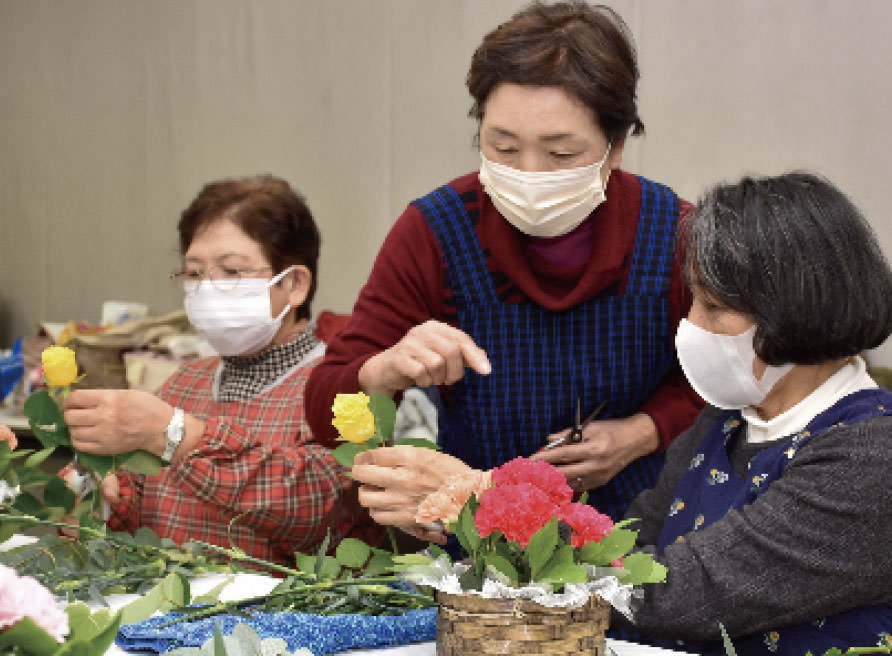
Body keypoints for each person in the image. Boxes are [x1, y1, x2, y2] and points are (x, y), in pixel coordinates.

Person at [306, 1, 702, 540]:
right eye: (504, 147)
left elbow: (737, 382)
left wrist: (645, 431)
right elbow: (326, 410)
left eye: (561, 153)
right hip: (475, 550)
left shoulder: (676, 233)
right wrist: (384, 371)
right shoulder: (435, 233)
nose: (529, 174)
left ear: (615, 147)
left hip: (643, 540)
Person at [615, 172, 892, 652]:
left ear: (797, 310)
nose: (691, 325)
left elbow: (680, 594)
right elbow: (628, 541)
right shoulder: (726, 419)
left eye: (714, 306)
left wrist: (496, 507)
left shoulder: (871, 459)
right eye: (693, 299)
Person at [63, 175, 377, 566]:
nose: (208, 289)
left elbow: (317, 513)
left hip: (278, 623)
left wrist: (175, 435)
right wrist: (95, 494)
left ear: (295, 284)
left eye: (231, 272)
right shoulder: (183, 382)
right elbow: (139, 515)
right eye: (194, 274)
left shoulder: (339, 390)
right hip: (167, 617)